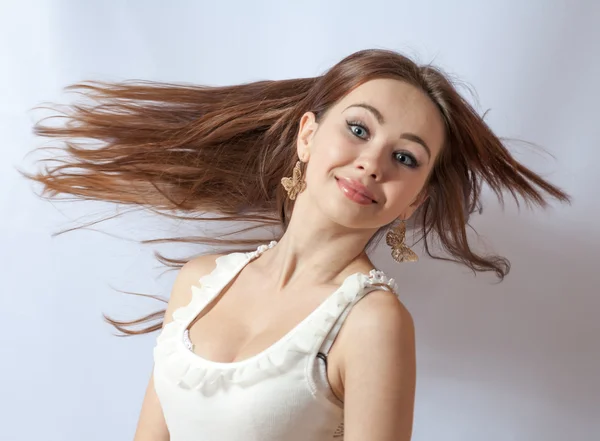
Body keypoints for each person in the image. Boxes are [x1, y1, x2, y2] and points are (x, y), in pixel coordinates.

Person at [23, 49, 569, 441]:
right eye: (359, 129)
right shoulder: (202, 280)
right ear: (308, 135)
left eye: (405, 157)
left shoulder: (372, 323)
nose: (372, 162)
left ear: (412, 202)